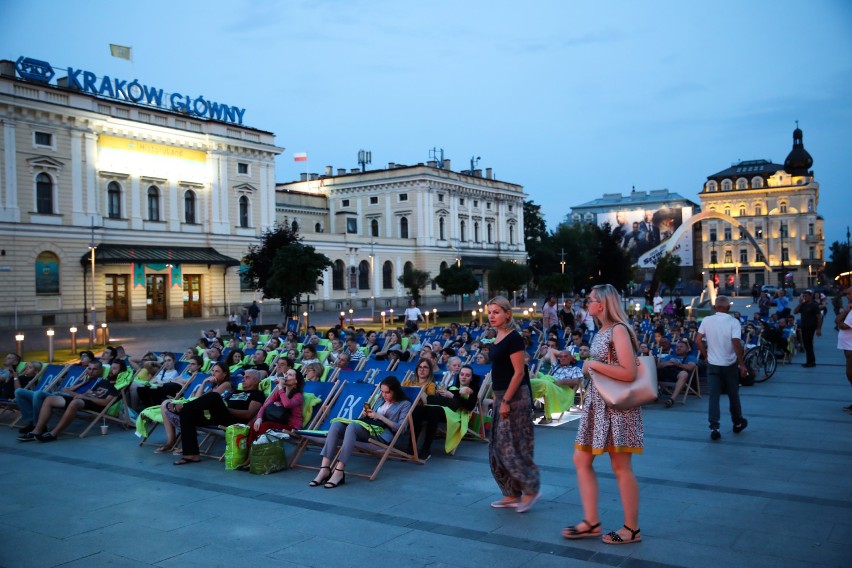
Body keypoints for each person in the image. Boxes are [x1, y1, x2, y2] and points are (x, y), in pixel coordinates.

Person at [563, 284, 642, 545]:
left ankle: (631, 528)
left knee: (621, 466)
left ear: (603, 304)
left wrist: (592, 364)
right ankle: (591, 521)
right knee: (581, 459)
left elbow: (629, 372)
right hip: (599, 405)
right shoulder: (603, 330)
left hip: (617, 406)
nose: (587, 303)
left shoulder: (618, 330)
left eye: (590, 299)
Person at [486, 295, 540, 513]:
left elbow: (518, 373)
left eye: (496, 312)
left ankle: (531, 489)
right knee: (496, 448)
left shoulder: (514, 338)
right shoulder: (497, 336)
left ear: (508, 314)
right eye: (489, 312)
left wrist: (506, 400)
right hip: (501, 396)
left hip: (515, 397)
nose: (491, 316)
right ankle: (510, 493)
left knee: (513, 447)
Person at [309, 376, 412, 488]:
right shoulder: (381, 401)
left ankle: (339, 471)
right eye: (382, 392)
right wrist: (367, 414)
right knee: (336, 425)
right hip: (369, 429)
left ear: (396, 391)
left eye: (387, 392)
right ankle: (324, 469)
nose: (384, 395)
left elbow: (401, 429)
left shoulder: (405, 404)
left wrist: (381, 417)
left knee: (353, 426)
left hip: (382, 436)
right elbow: (372, 417)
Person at [168, 368, 264, 465]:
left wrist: (226, 409)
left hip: (232, 421)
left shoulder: (258, 394)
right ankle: (191, 454)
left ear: (256, 380)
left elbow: (249, 414)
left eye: (247, 377)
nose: (243, 380)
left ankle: (183, 406)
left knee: (214, 396)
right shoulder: (235, 392)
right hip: (217, 415)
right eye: (243, 377)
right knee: (186, 413)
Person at [25, 360, 125, 443]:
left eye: (114, 368)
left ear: (121, 372)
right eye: (111, 367)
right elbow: (89, 392)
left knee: (75, 402)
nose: (111, 370)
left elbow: (105, 403)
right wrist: (84, 394)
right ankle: (37, 430)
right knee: (49, 399)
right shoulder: (104, 381)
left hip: (95, 404)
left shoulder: (118, 386)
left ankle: (53, 433)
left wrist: (86, 397)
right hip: (84, 399)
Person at [694, 295, 748, 441]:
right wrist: (741, 364)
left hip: (713, 364)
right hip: (729, 364)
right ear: (729, 308)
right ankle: (737, 422)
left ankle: (715, 427)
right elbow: (736, 343)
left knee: (713, 396)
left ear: (714, 307)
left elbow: (698, 340)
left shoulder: (706, 320)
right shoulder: (734, 322)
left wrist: (706, 356)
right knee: (733, 394)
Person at [412, 364, 480, 459]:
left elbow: (470, 406)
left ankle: (426, 448)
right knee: (418, 409)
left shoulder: (473, 390)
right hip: (444, 409)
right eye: (462, 374)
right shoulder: (452, 387)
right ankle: (411, 446)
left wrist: (452, 396)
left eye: (467, 375)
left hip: (457, 414)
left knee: (434, 410)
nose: (464, 377)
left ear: (471, 378)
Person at [656, 339, 698, 407]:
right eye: (677, 347)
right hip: (665, 371)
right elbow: (658, 365)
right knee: (651, 371)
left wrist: (678, 364)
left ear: (687, 350)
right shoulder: (669, 356)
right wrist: (666, 363)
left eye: (681, 347)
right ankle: (648, 395)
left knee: (684, 374)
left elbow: (690, 367)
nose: (678, 348)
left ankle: (672, 399)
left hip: (677, 373)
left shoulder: (690, 357)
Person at [794, 289, 822, 367]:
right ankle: (810, 361)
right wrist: (800, 304)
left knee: (808, 343)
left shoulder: (814, 305)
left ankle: (810, 362)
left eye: (806, 296)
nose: (805, 297)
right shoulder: (803, 305)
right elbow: (795, 312)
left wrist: (819, 329)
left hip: (811, 326)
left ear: (810, 296)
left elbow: (819, 317)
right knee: (806, 344)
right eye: (804, 296)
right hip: (804, 326)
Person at [836, 286, 852, 412]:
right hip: (847, 348)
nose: (847, 296)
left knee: (851, 375)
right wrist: (846, 311)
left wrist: (840, 324)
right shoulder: (850, 309)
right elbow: (837, 320)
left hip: (851, 348)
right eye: (847, 293)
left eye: (850, 293)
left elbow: (844, 326)